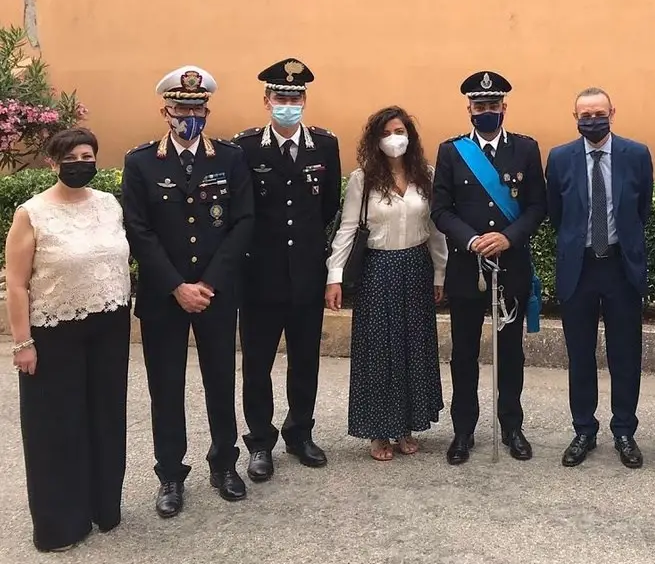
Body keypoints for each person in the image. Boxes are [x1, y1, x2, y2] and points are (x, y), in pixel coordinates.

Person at [121, 65, 254, 517]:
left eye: (197, 107)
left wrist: (208, 283)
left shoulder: (230, 158)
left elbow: (242, 222)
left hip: (216, 293)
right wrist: (177, 286)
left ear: (207, 109)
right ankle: (170, 475)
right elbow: (138, 230)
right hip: (164, 296)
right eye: (181, 107)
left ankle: (224, 464)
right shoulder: (140, 162)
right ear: (165, 110)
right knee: (166, 385)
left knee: (220, 379)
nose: (189, 115)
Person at [5, 128, 132, 552]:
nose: (82, 162)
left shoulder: (109, 204)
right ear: (52, 163)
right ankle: (61, 524)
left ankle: (103, 508)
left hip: (110, 326)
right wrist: (23, 343)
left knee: (105, 418)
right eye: (72, 157)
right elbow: (18, 284)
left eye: (88, 155)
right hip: (54, 330)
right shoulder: (33, 212)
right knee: (57, 428)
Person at [232, 58, 342, 482]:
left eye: (295, 98)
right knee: (257, 364)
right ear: (266, 100)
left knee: (305, 361)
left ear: (305, 100)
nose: (288, 104)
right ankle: (260, 442)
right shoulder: (244, 148)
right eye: (281, 97)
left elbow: (328, 204)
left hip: (305, 276)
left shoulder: (325, 146)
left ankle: (300, 432)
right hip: (259, 277)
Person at [431, 70, 547, 464]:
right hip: (468, 269)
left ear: (504, 109)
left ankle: (512, 426)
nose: (486, 112)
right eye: (480, 106)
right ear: (468, 109)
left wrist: (508, 237)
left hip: (511, 266)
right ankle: (463, 430)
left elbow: (537, 207)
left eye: (493, 106)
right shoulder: (451, 151)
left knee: (510, 351)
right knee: (463, 352)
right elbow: (441, 210)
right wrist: (472, 239)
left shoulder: (526, 149)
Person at [325, 106, 448, 461]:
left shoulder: (426, 174)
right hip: (378, 270)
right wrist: (334, 276)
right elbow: (347, 230)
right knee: (379, 351)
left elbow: (436, 229)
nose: (395, 138)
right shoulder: (363, 180)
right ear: (376, 140)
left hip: (416, 265)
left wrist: (440, 272)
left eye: (401, 131)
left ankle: (407, 426)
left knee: (413, 349)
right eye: (388, 132)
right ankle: (379, 432)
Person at [544, 87, 654, 468]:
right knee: (580, 354)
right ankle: (584, 430)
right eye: (584, 114)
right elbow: (557, 213)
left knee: (625, 354)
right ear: (575, 116)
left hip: (621, 267)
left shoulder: (636, 154)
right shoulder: (559, 158)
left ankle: (624, 430)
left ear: (612, 112)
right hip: (580, 267)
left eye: (599, 113)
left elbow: (643, 208)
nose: (592, 119)